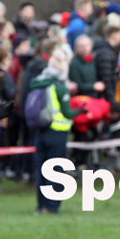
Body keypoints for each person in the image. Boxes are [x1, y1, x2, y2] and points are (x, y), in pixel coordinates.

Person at [30, 49, 80, 214]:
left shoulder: (37, 82)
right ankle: (52, 206)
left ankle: (40, 205)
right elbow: (66, 112)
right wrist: (80, 111)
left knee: (42, 170)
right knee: (56, 171)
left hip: (40, 130)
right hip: (57, 132)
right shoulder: (59, 87)